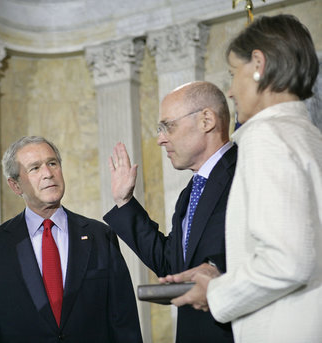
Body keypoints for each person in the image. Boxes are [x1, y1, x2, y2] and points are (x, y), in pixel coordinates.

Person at [167, 14, 322, 342]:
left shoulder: (268, 137)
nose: (231, 90)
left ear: (258, 64)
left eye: (232, 73)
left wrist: (216, 291)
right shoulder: (310, 137)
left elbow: (288, 261)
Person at [0, 136, 142, 343]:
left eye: (52, 163)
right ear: (15, 185)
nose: (48, 174)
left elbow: (124, 322)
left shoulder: (100, 236)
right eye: (35, 168)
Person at [104, 81, 236, 342]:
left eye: (168, 127)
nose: (160, 139)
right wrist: (125, 202)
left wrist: (217, 271)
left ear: (206, 120)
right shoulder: (192, 191)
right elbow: (171, 265)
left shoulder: (245, 169)